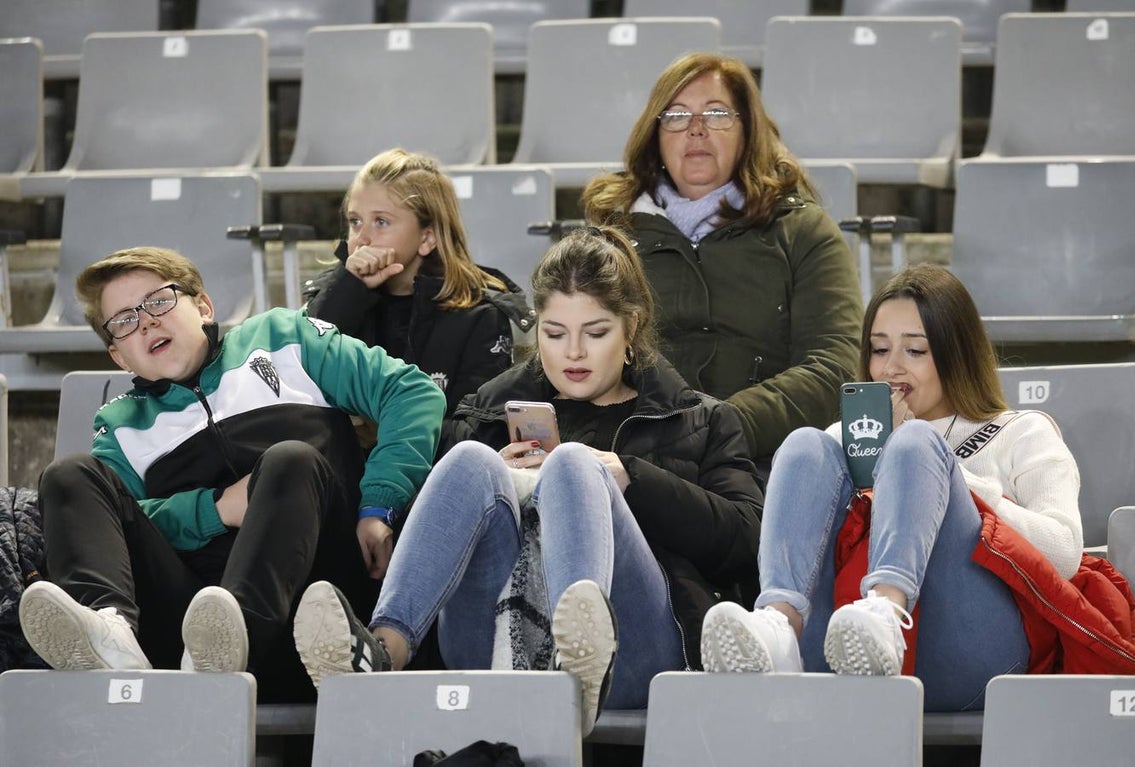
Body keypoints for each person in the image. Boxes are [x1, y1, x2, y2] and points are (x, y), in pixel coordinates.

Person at [292, 227, 763, 734]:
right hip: (493, 640)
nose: (574, 353)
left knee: (573, 465)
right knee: (473, 460)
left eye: (596, 332)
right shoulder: (485, 414)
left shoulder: (701, 419)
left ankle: (577, 663)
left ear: (632, 326)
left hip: (634, 651)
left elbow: (745, 543)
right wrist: (503, 479)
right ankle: (383, 651)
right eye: (555, 333)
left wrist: (633, 480)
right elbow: (424, 543)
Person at [18, 247, 445, 700]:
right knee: (68, 474)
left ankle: (235, 632)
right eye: (123, 320)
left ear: (203, 307)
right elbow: (119, 531)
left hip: (316, 611)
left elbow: (412, 393)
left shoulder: (283, 337)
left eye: (158, 301)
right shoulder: (120, 426)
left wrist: (379, 504)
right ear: (119, 356)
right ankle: (111, 635)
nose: (145, 322)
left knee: (290, 460)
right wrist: (216, 510)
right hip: (189, 636)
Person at [699, 264, 1090, 711]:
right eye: (879, 349)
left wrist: (952, 475)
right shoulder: (842, 439)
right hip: (835, 649)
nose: (891, 368)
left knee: (914, 443)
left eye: (916, 351)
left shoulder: (1022, 432)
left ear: (956, 353)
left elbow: (1064, 553)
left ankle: (885, 613)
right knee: (805, 443)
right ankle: (780, 624)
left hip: (974, 653)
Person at [582, 52, 862, 470]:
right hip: (629, 456)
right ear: (655, 134)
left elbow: (836, 365)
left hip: (765, 460)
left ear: (747, 130)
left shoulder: (803, 229)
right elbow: (567, 348)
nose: (696, 129)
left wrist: (723, 425)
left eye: (716, 113)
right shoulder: (610, 236)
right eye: (676, 115)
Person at [305, 148, 533, 421]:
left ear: (427, 238)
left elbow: (474, 430)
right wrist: (346, 292)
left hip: (434, 460)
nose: (361, 239)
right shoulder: (335, 296)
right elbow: (299, 370)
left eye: (381, 221)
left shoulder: (479, 316)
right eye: (355, 221)